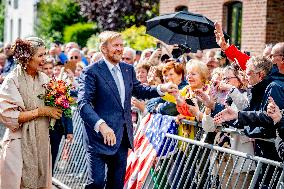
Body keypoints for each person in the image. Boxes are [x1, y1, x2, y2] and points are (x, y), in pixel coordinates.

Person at [77, 31, 177, 189]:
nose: (120, 49)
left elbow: (140, 90)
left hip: (122, 137)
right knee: (96, 183)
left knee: (116, 184)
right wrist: (101, 126)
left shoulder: (127, 69)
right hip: (98, 138)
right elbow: (83, 104)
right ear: (103, 49)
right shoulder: (91, 72)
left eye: (121, 45)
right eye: (115, 45)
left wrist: (161, 88)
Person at [0, 37, 63, 189]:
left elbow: (56, 105)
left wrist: (61, 104)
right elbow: (8, 116)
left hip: (42, 142)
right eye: (40, 55)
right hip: (18, 143)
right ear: (27, 57)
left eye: (45, 54)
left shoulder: (45, 79)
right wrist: (41, 111)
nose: (45, 59)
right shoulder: (12, 80)